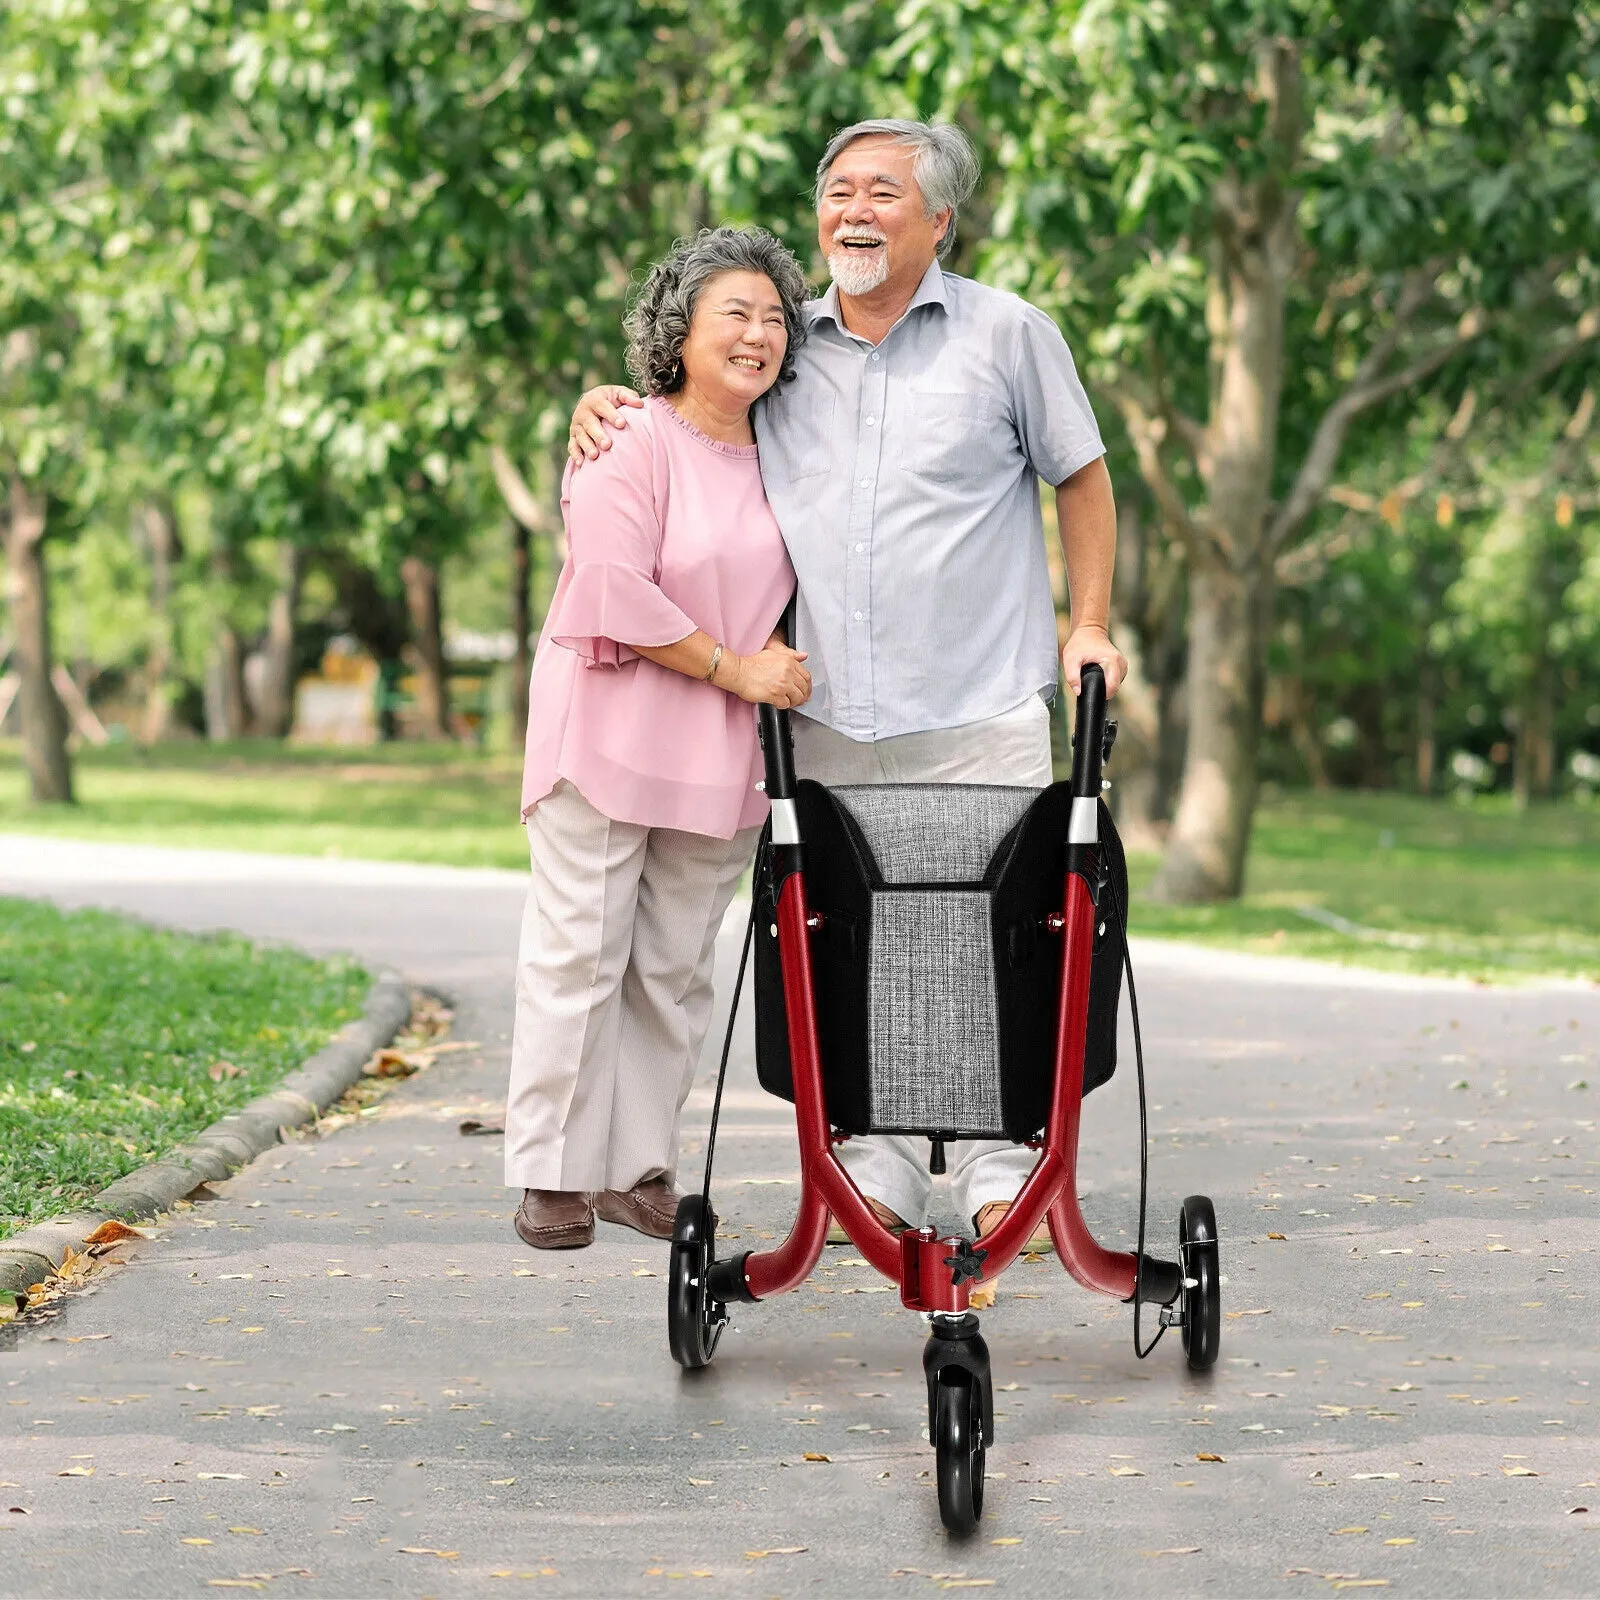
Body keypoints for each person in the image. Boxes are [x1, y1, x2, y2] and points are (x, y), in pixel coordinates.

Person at [568, 120, 1127, 1253]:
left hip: (976, 704)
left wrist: (1091, 625)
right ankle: (864, 1151)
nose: (854, 212)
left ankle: (985, 1163)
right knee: (844, 934)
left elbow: (1082, 476)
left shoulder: (1008, 334)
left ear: (940, 219)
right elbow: (688, 421)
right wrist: (601, 401)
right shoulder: (784, 347)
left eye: (883, 191)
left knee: (996, 937)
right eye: (836, 192)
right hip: (820, 712)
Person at [506, 226, 813, 1251]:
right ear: (678, 332)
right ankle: (552, 1172)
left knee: (675, 966)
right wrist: (736, 666)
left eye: (775, 318)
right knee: (580, 954)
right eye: (736, 313)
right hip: (609, 731)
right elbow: (608, 588)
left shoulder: (791, 456)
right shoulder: (628, 436)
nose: (759, 334)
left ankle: (637, 1168)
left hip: (719, 751)